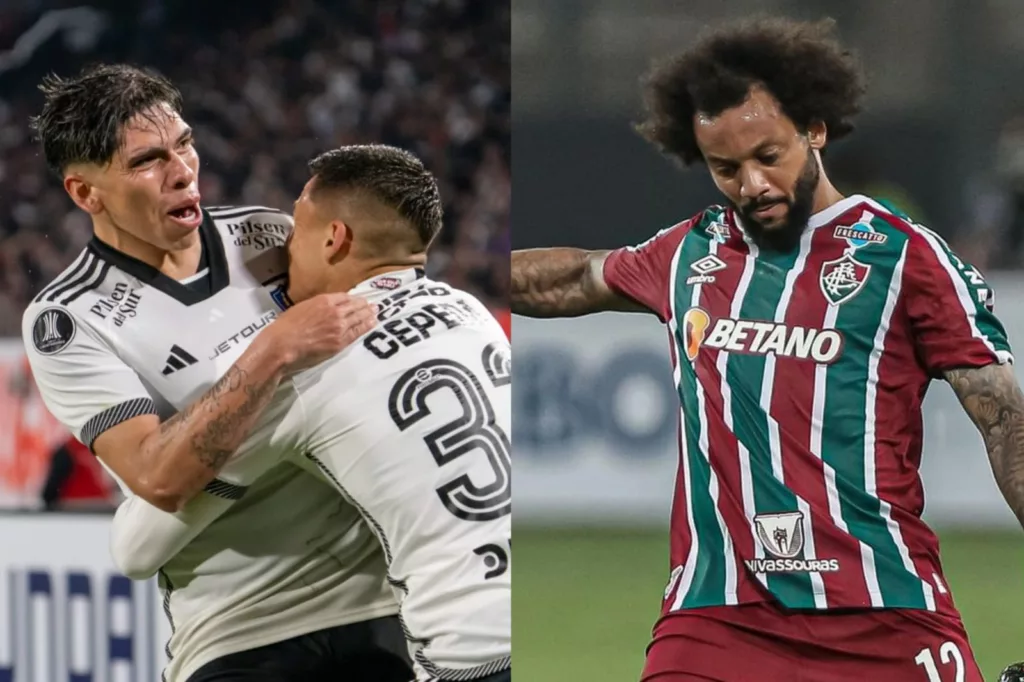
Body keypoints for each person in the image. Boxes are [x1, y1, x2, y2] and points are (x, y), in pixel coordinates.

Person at [511, 17, 1023, 682]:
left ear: (815, 129)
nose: (750, 184)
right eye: (725, 168)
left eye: (767, 156)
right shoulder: (689, 253)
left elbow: (1005, 420)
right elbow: (572, 278)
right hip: (714, 617)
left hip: (884, 610)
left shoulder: (908, 259)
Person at [21, 64, 411, 682]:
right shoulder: (70, 320)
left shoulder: (272, 236)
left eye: (185, 144)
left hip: (379, 600)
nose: (182, 171)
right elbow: (158, 477)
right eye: (147, 161)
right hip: (239, 629)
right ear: (85, 194)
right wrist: (273, 349)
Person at [109, 145, 512, 682]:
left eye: (295, 231)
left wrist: (262, 364)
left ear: (334, 238)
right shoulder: (472, 313)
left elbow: (135, 549)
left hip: (467, 652)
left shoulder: (304, 369)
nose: (282, 254)